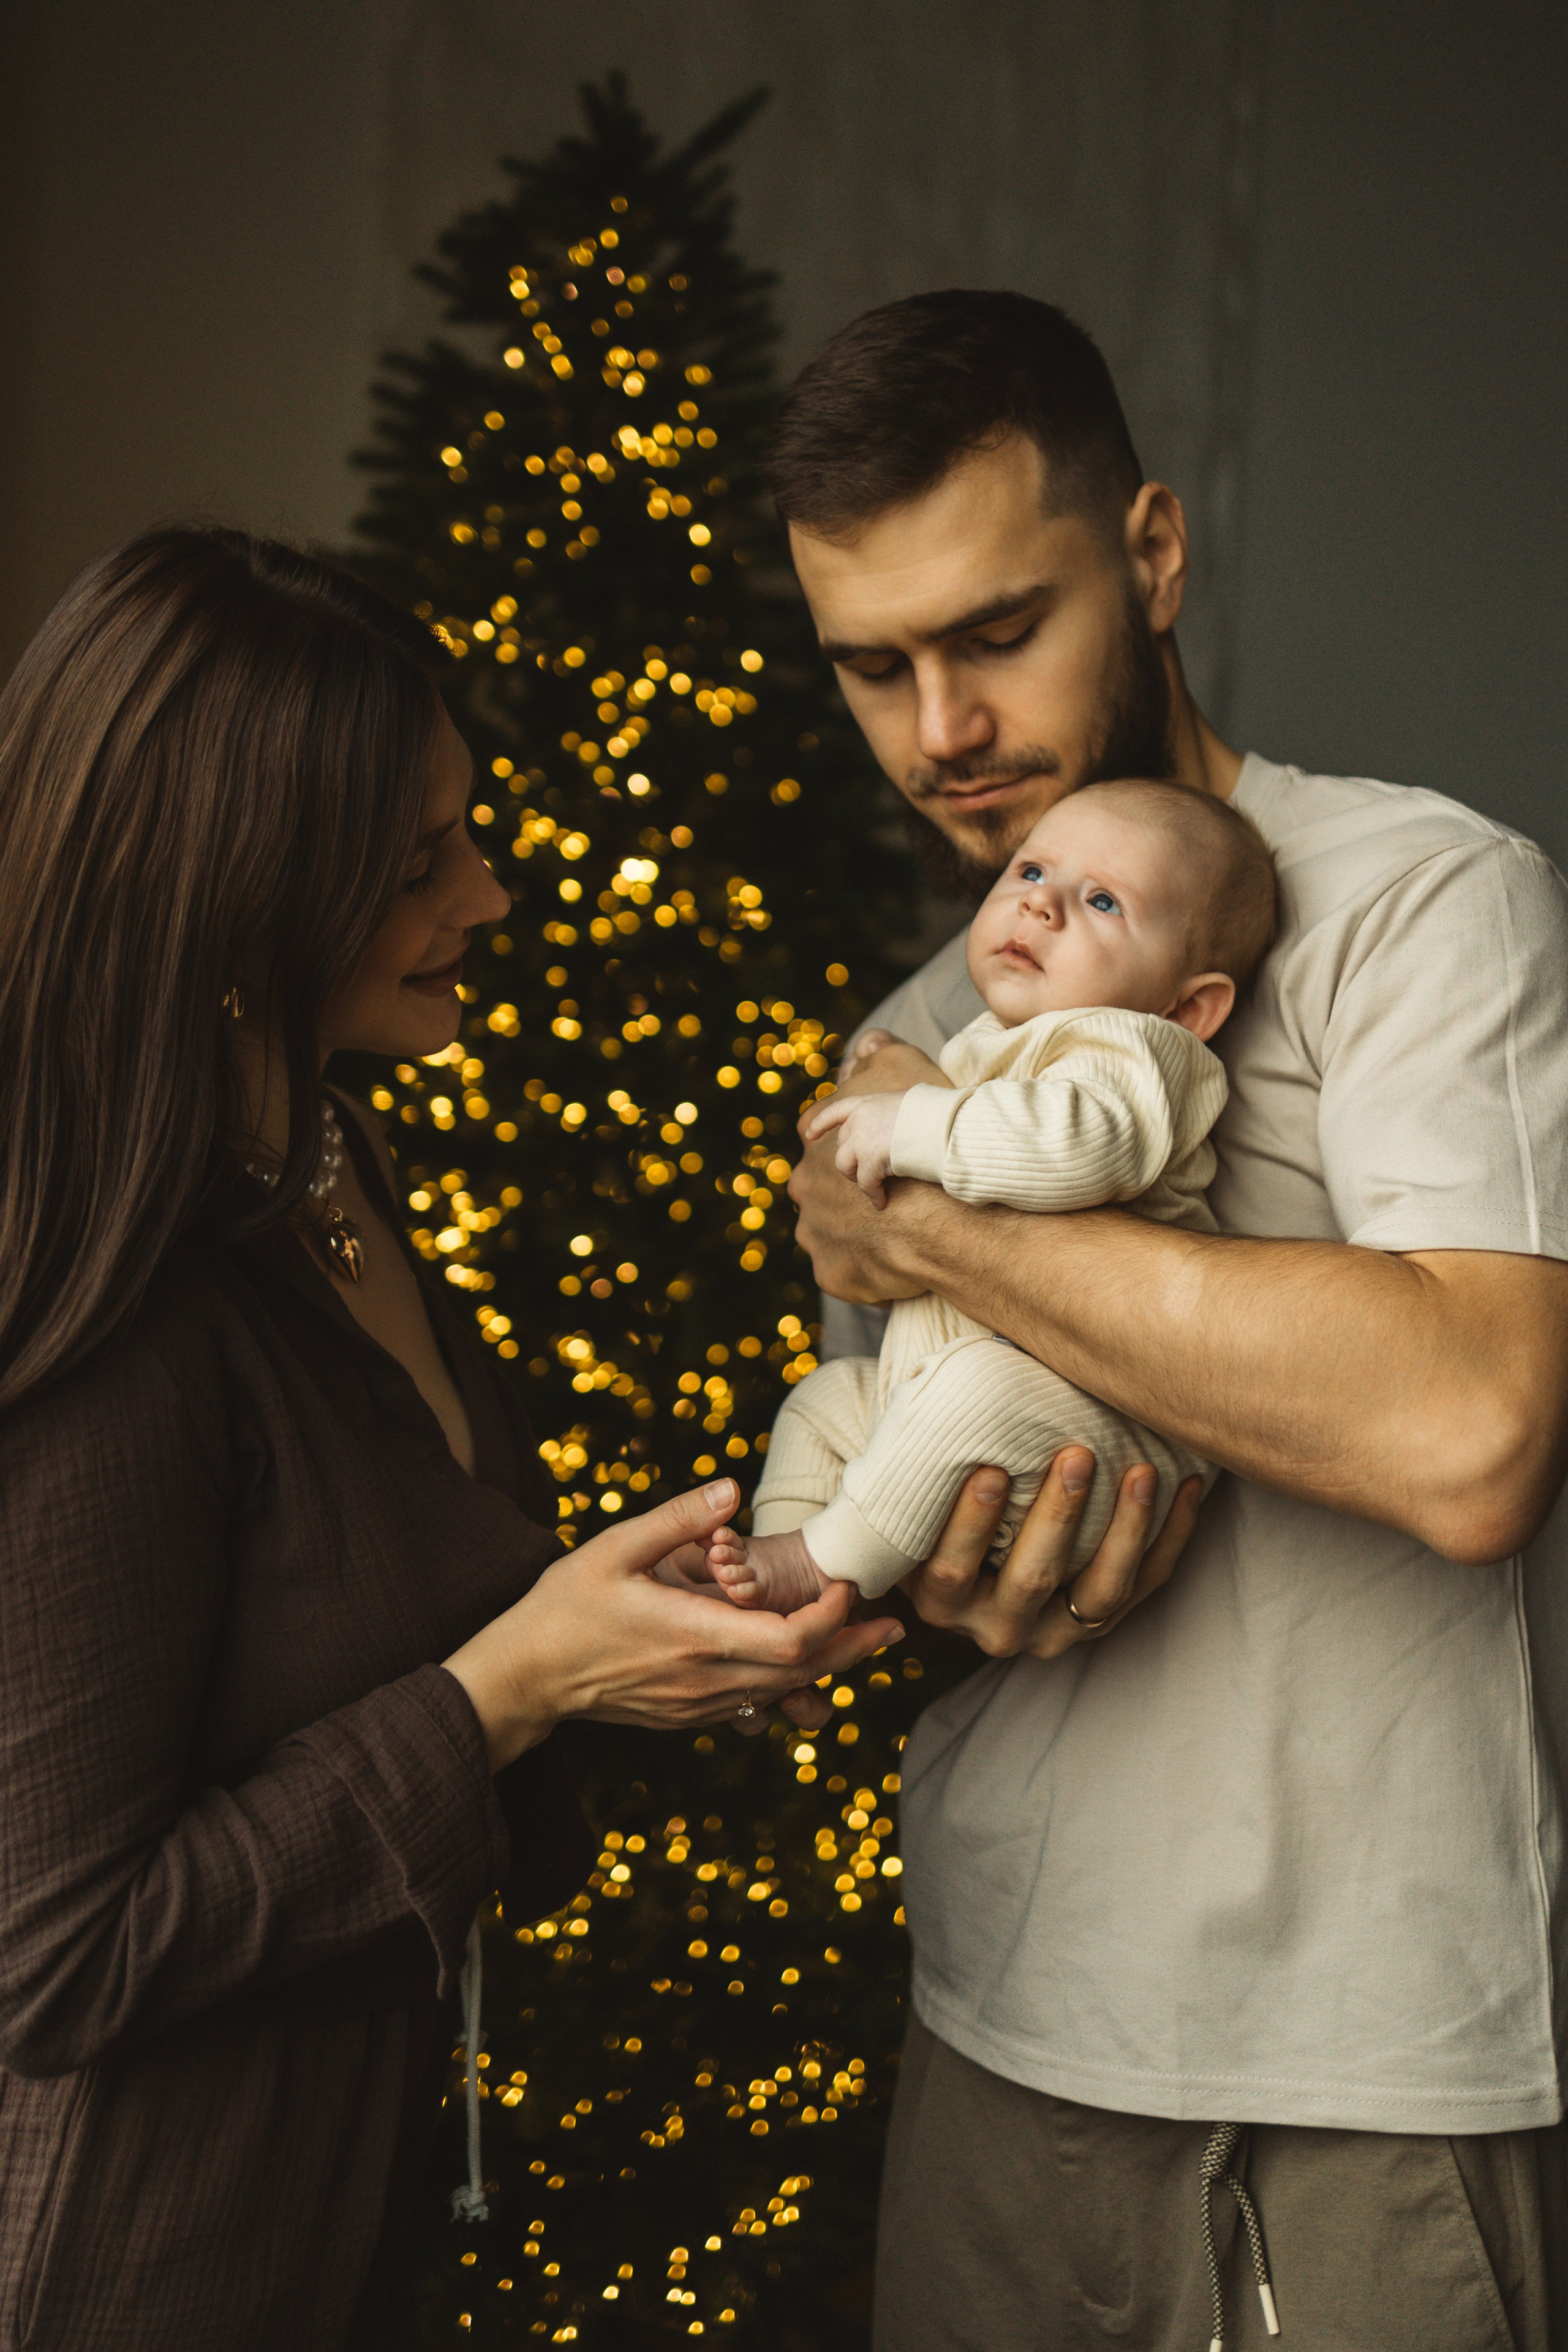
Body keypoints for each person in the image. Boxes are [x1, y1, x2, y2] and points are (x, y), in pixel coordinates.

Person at [0, 526, 927, 2352]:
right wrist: (513, 1686)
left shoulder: (341, 1163)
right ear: (240, 898)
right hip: (128, 2276)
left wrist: (645, 1658)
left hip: (352, 2240)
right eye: (423, 865)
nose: (492, 899)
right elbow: (57, 1954)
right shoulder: (118, 1324)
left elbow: (386, 1656)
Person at [766, 290, 1568, 2350]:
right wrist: (966, 1574)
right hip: (993, 2028)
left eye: (996, 633)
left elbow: (1471, 1430)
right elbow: (946, 1502)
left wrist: (924, 1217)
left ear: (1152, 555)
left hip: (1350, 2074)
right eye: (876, 666)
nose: (939, 729)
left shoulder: (1419, 897)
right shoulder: (947, 1015)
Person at [704, 778, 1275, 1613]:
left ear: (1188, 1006)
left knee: (970, 1387)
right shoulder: (1001, 1037)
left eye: (1105, 901)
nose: (1043, 908)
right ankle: (788, 1594)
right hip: (952, 1407)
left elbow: (1078, 1143)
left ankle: (818, 1566)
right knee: (827, 1398)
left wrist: (913, 1121)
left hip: (1098, 1431)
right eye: (1032, 873)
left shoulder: (1136, 1052)